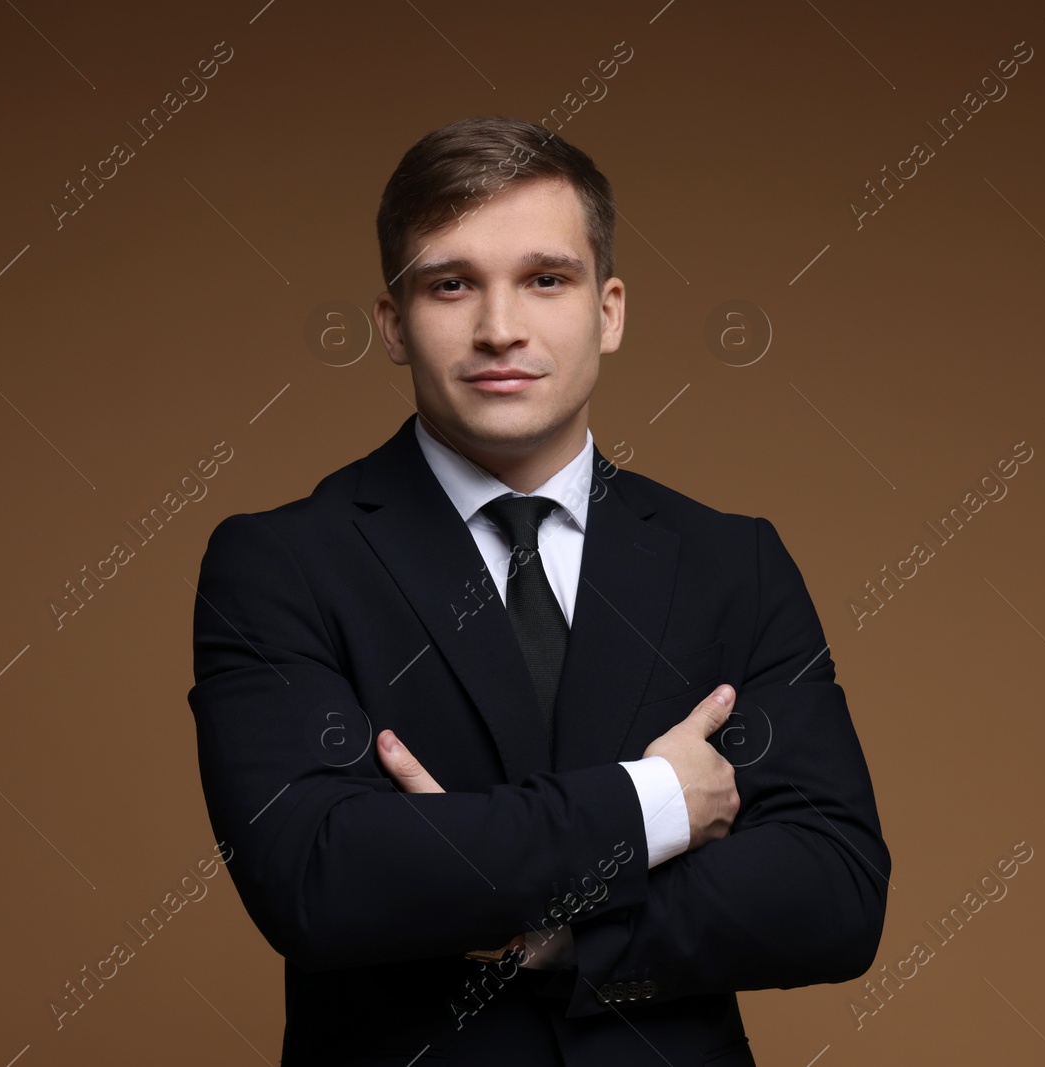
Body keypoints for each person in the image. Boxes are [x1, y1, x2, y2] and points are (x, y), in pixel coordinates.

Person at [187, 115, 890, 1066]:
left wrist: (553, 931)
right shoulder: (278, 565)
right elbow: (318, 879)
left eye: (544, 279)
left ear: (609, 311)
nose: (500, 328)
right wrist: (656, 803)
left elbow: (834, 891)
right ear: (393, 326)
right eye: (451, 285)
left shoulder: (734, 561)